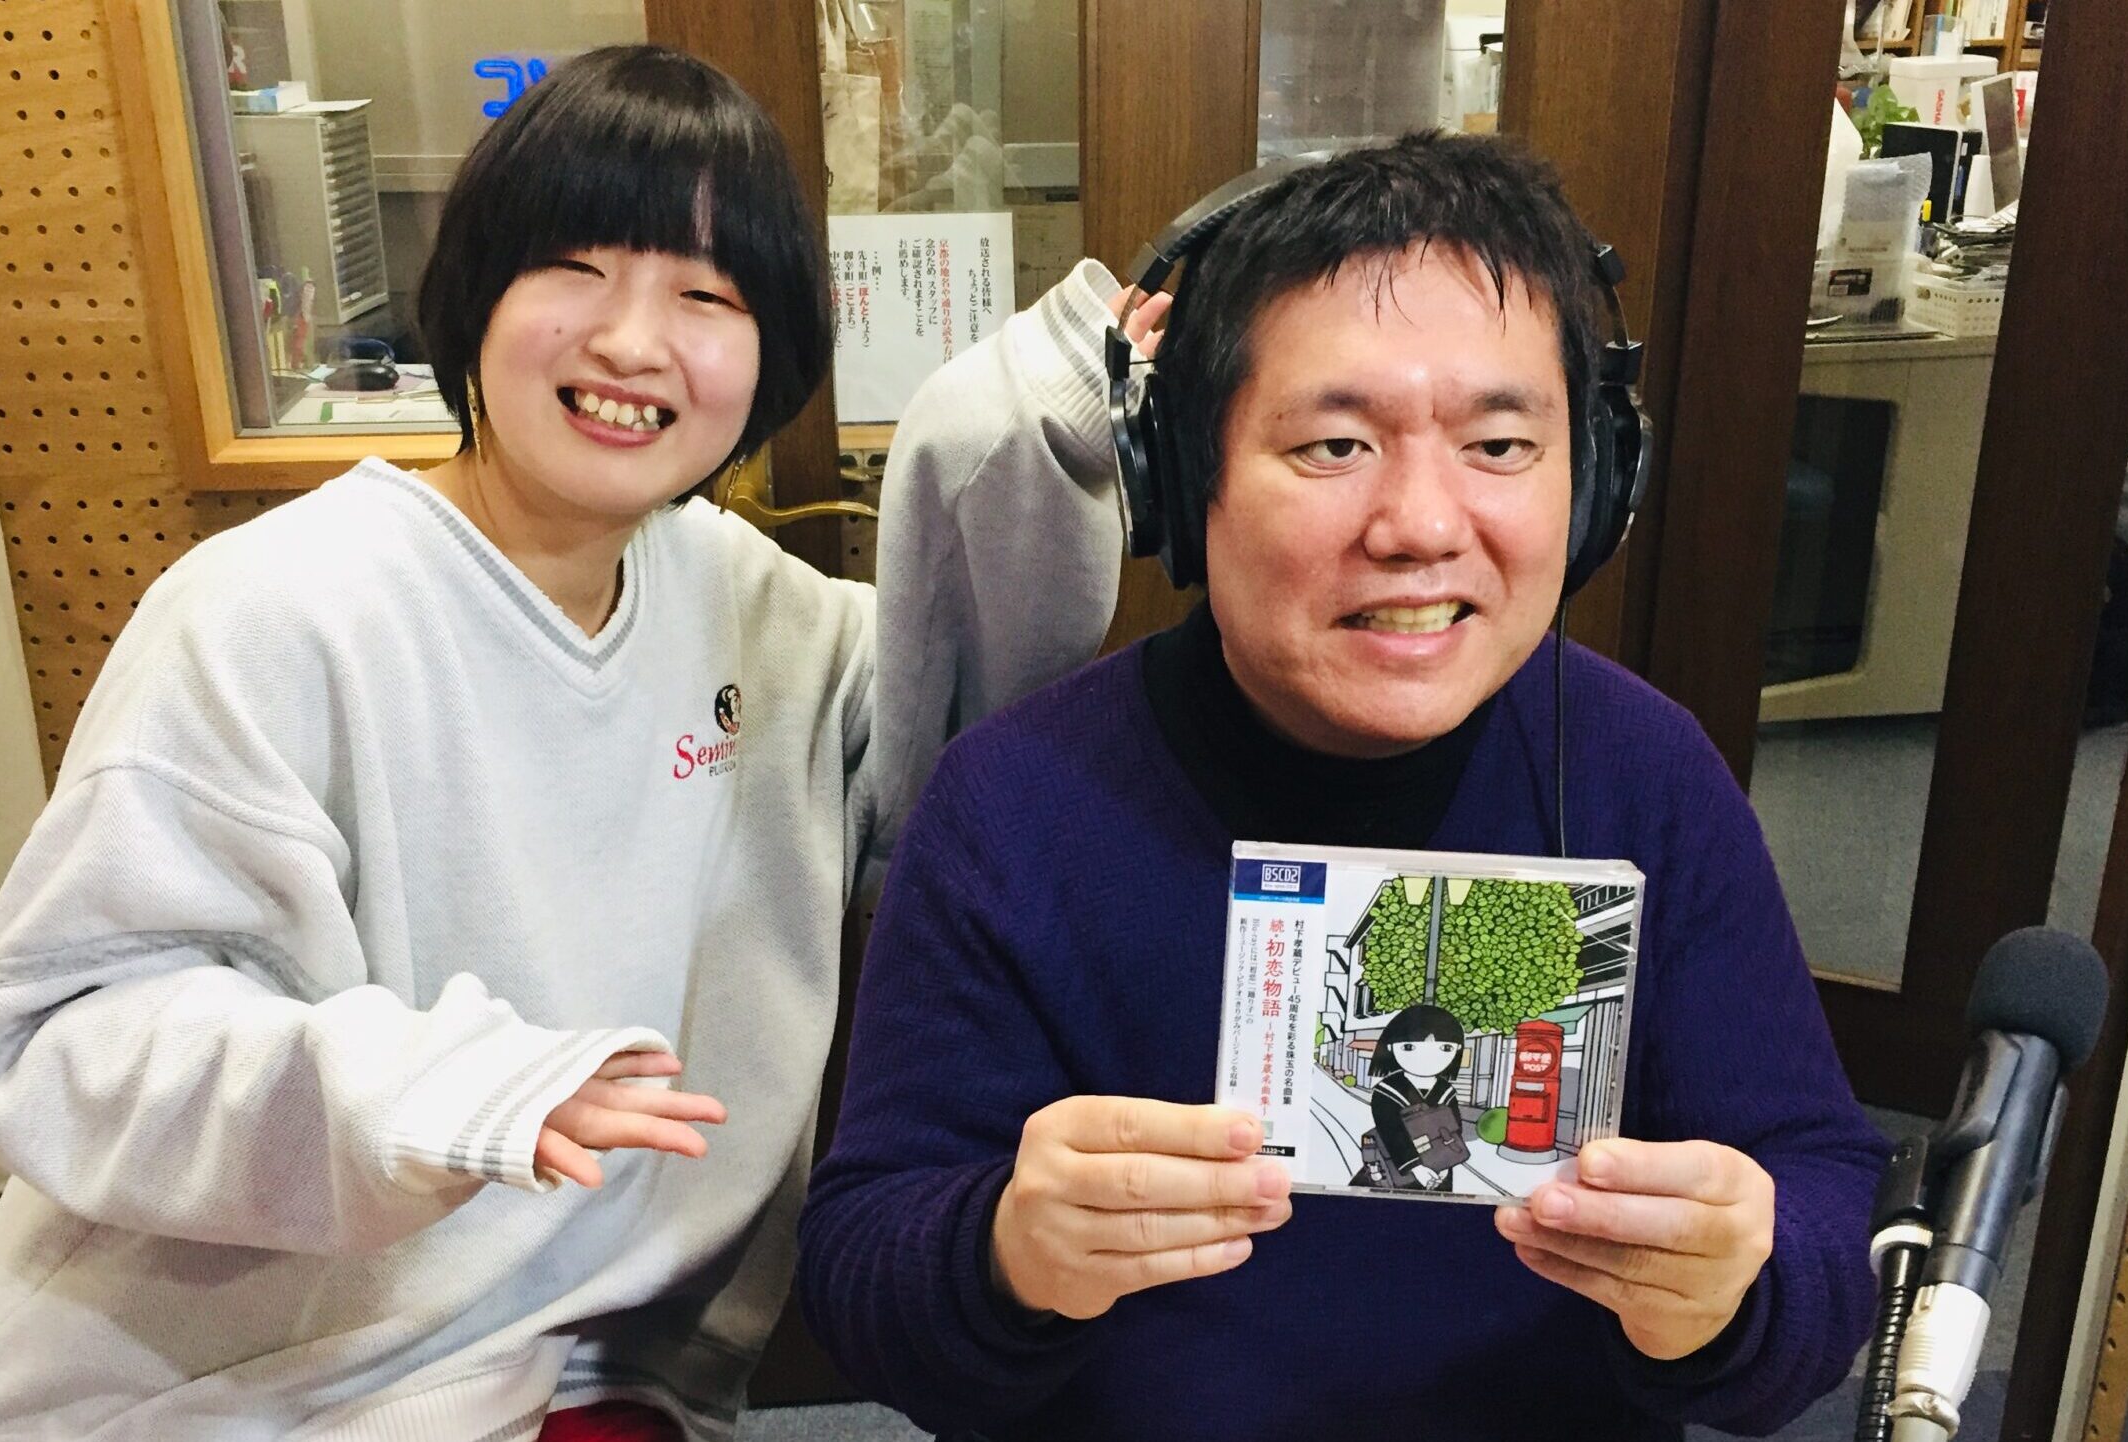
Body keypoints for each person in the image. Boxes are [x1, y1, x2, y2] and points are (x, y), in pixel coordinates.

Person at [0, 46, 1137, 1441]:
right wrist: (437, 1092)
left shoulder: (759, 610)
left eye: (705, 296)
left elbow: (964, 743)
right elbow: (63, 1033)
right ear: (475, 295)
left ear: (772, 355)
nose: (631, 341)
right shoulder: (275, 610)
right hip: (260, 1392)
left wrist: (1038, 419)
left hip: (604, 1374)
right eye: (574, 268)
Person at [797, 134, 1889, 1440]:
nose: (1421, 523)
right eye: (1333, 444)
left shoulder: (1647, 778)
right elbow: (863, 1268)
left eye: (1499, 443)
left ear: (1596, 480)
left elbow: (1820, 1201)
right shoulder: (1014, 806)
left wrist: (1734, 1289)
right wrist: (1002, 1249)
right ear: (1179, 476)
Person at [1364, 1004, 1472, 1192]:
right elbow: (1392, 1133)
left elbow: (1455, 1129)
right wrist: (1416, 1168)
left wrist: (1447, 1163)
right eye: (1409, 1047)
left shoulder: (1446, 1090)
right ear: (1390, 1047)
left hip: (1442, 1167)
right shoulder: (1386, 1091)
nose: (1427, 1058)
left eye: (1445, 1048)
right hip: (1401, 1170)